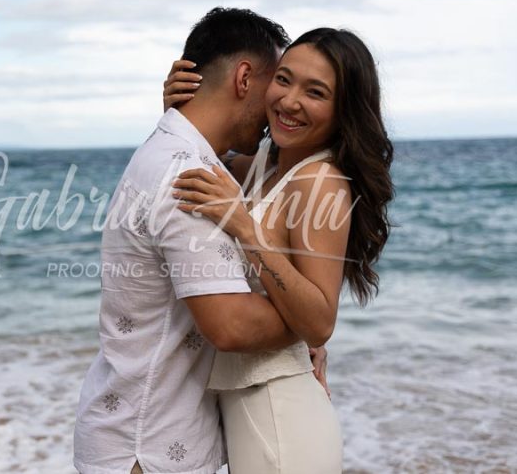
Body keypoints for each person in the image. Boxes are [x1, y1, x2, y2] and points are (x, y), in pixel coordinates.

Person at [73, 7, 330, 474]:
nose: (278, 104)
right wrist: (307, 319)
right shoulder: (190, 176)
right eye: (277, 81)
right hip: (147, 448)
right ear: (244, 78)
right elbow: (232, 326)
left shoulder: (174, 151)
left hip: (139, 435)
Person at [165, 27, 394, 473]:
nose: (290, 101)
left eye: (315, 92)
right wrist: (179, 109)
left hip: (281, 416)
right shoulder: (262, 165)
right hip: (252, 411)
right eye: (284, 79)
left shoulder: (320, 181)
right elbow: (193, 159)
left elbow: (320, 322)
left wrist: (245, 228)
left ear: (343, 109)